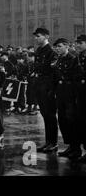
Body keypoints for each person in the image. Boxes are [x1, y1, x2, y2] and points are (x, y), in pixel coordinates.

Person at [52, 38, 82, 160]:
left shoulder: (73, 59)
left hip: (70, 93)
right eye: (56, 47)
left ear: (67, 46)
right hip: (60, 93)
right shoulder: (59, 60)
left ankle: (76, 148)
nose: (57, 49)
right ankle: (70, 145)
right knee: (63, 120)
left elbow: (75, 77)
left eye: (59, 46)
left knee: (72, 121)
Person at [33, 28, 59, 153]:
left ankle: (53, 143)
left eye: (38, 36)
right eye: (35, 36)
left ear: (46, 36)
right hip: (40, 86)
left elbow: (54, 73)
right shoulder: (39, 51)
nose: (36, 38)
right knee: (45, 115)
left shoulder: (51, 52)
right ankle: (48, 142)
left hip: (48, 87)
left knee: (50, 116)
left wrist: (52, 90)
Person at [74, 34, 86, 163]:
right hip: (81, 93)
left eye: (80, 43)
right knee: (82, 121)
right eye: (77, 43)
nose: (77, 45)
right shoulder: (80, 56)